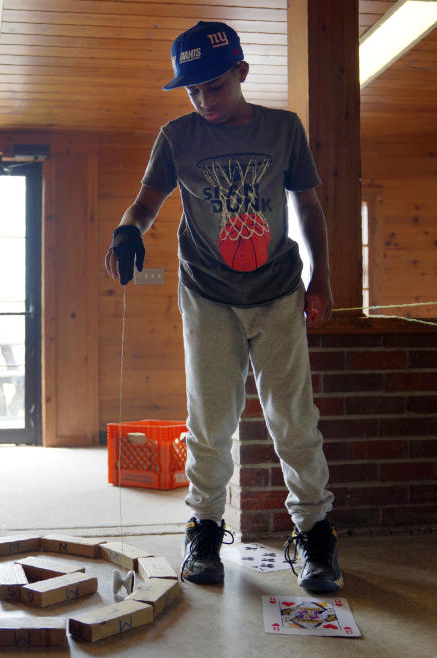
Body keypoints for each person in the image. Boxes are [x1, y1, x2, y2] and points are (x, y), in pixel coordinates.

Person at [105, 21, 341, 593]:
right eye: (193, 91)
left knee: (294, 421)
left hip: (280, 290)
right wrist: (126, 231)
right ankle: (205, 528)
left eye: (214, 86)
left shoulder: (283, 129)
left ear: (241, 72)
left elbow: (308, 207)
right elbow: (145, 202)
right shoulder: (176, 136)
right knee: (210, 421)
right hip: (207, 294)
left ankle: (315, 536)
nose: (204, 100)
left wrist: (322, 279)